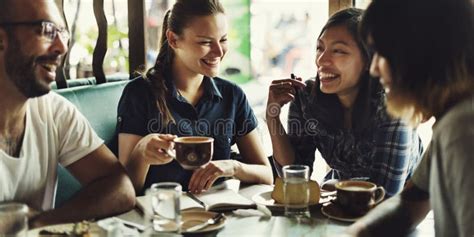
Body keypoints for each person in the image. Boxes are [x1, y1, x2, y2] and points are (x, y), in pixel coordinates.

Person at [0, 0, 135, 228]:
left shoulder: (52, 109)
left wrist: (39, 222)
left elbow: (120, 187)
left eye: (63, 33)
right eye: (47, 30)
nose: (62, 47)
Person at [116, 0, 273, 195]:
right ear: (173, 40)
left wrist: (233, 167)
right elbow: (124, 191)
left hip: (218, 216)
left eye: (223, 40)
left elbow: (267, 174)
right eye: (205, 42)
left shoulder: (232, 95)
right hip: (163, 217)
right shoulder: (139, 93)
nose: (219, 51)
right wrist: (142, 152)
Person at [345, 0, 474, 236]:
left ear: (416, 54)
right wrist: (357, 232)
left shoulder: (463, 127)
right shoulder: (452, 117)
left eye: (381, 53)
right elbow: (410, 202)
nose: (374, 69)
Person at [266, 8, 423, 197]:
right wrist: (272, 116)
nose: (322, 60)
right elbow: (294, 176)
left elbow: (384, 194)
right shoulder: (307, 98)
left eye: (339, 51)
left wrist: (332, 186)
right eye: (320, 48)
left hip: (400, 211)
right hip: (340, 203)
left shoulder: (393, 108)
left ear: (368, 60)